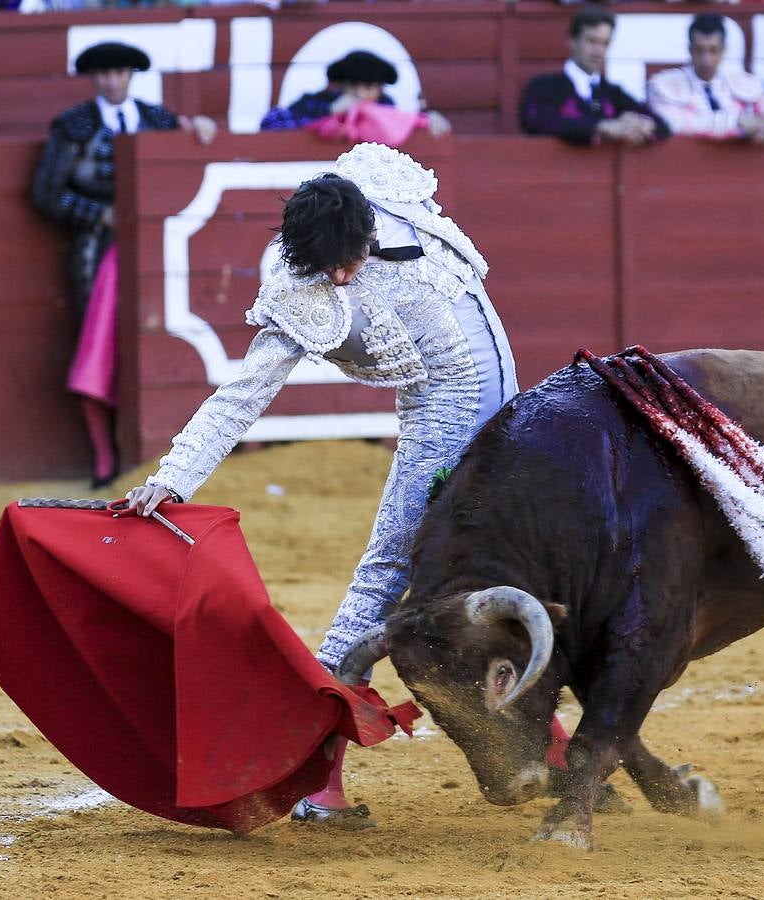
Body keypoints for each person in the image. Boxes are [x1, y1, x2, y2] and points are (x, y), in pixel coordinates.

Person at [123, 143, 533, 827]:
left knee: (498, 566)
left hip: (505, 394)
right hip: (445, 414)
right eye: (332, 269)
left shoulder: (373, 184)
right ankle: (318, 778)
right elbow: (241, 395)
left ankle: (539, 741)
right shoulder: (303, 288)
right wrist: (173, 477)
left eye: (351, 260)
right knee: (384, 576)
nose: (344, 278)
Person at [30, 41, 217, 488]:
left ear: (131, 75)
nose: (112, 81)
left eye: (120, 72)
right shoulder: (72, 127)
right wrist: (99, 214)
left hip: (161, 250)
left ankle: (155, 459)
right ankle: (104, 461)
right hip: (98, 249)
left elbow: (193, 159)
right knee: (100, 348)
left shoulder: (159, 120)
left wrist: (202, 129)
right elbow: (46, 192)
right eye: (104, 74)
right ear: (94, 78)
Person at [519, 5, 669, 146]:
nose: (598, 51)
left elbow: (662, 126)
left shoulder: (613, 93)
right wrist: (601, 127)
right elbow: (536, 121)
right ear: (572, 41)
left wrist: (643, 125)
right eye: (592, 41)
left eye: (605, 43)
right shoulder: (542, 87)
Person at [647, 14, 764, 145]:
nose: (706, 59)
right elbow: (672, 123)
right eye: (699, 50)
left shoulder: (743, 83)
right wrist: (739, 123)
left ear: (724, 50)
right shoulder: (664, 85)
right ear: (689, 49)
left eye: (713, 50)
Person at [259, 50, 451, 138]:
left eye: (368, 88)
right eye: (353, 87)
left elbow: (404, 123)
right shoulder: (316, 102)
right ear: (341, 86)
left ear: (380, 89)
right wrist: (330, 110)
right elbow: (270, 124)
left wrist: (426, 120)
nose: (360, 94)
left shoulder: (387, 107)